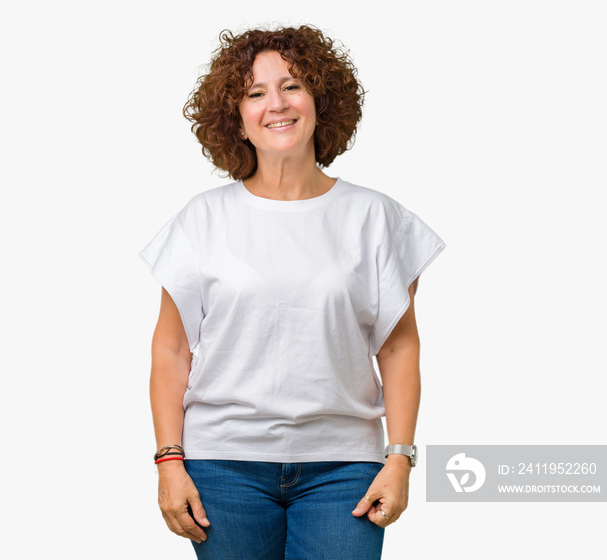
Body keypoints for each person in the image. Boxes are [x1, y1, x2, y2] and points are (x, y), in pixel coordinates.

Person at [138, 24, 446, 560]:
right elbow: (171, 349)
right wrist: (169, 461)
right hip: (222, 466)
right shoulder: (202, 220)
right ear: (235, 117)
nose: (276, 105)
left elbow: (398, 347)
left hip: (345, 469)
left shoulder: (375, 218)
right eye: (255, 93)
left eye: (292, 85)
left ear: (321, 100)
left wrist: (400, 458)